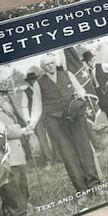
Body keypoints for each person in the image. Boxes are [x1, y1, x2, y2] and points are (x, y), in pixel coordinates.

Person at [30, 55, 100, 195]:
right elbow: (37, 105)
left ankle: (95, 185)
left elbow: (80, 89)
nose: (50, 66)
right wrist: (32, 123)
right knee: (68, 155)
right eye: (47, 64)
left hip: (74, 116)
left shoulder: (68, 74)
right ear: (42, 68)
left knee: (84, 150)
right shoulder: (38, 83)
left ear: (55, 63)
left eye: (52, 63)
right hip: (54, 121)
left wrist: (80, 94)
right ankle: (81, 190)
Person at [0, 79, 31, 216]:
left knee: (21, 181)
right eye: (1, 94)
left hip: (16, 151)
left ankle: (24, 207)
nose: (5, 96)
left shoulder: (7, 108)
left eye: (5, 93)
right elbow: (1, 131)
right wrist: (21, 130)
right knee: (11, 187)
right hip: (5, 154)